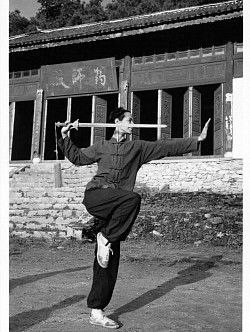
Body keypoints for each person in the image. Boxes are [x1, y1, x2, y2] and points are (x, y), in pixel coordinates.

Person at [58, 107, 210, 329]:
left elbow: (165, 147)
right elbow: (78, 157)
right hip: (97, 197)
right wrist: (64, 136)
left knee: (107, 261)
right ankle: (106, 237)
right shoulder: (102, 147)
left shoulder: (137, 148)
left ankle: (97, 311)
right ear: (117, 123)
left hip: (116, 214)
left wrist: (196, 140)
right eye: (129, 120)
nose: (133, 124)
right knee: (133, 199)